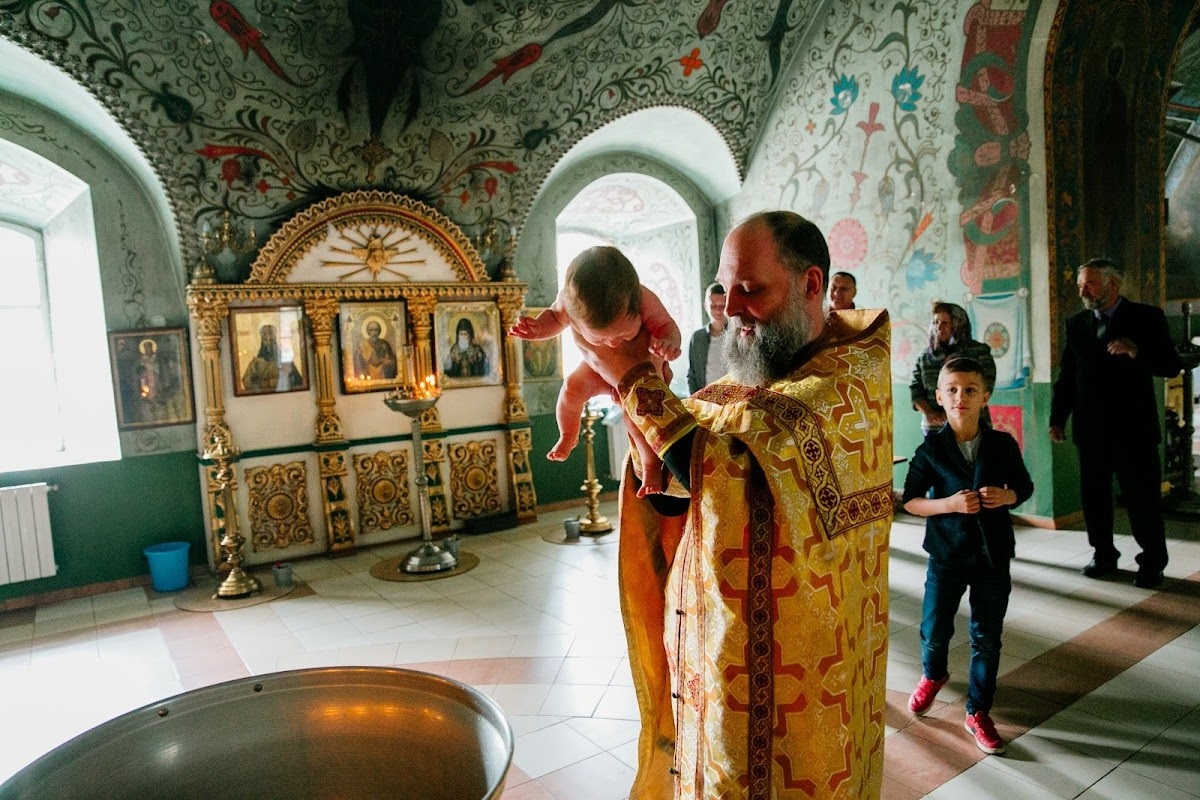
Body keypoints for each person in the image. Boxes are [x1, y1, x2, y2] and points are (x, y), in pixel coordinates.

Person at [574, 211, 892, 799]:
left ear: (812, 284)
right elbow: (693, 473)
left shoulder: (845, 382)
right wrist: (650, 452)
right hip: (720, 660)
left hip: (804, 679)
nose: (733, 309)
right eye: (726, 289)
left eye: (751, 291)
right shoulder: (753, 378)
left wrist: (631, 377)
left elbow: (731, 468)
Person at [901, 356, 1034, 756]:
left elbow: (1023, 487)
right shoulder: (930, 450)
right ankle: (933, 674)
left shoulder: (1002, 444)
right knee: (935, 628)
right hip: (947, 555)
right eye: (953, 390)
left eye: (970, 390)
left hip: (993, 555)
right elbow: (909, 501)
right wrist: (948, 505)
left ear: (985, 397)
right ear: (940, 397)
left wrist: (1008, 496)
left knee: (987, 637)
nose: (961, 397)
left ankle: (978, 711)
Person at [1049, 258, 1182, 589]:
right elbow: (1068, 376)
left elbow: (1170, 365)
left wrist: (1137, 350)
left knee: (1142, 500)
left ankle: (1152, 562)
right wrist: (1057, 417)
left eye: (1090, 284)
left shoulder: (1147, 317)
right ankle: (1103, 555)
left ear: (1113, 285)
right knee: (1094, 498)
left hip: (1133, 430)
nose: (1082, 290)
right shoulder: (1077, 323)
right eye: (1080, 284)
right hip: (1091, 431)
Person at [508, 246, 681, 496]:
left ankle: (651, 463)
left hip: (642, 373)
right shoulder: (568, 303)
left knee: (635, 418)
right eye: (601, 339)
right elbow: (554, 320)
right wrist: (537, 329)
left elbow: (666, 325)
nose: (613, 343)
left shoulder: (642, 298)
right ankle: (568, 435)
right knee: (571, 389)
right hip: (596, 368)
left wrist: (668, 343)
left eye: (623, 334)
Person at [910, 301, 996, 435]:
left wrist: (951, 413)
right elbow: (915, 389)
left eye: (945, 323)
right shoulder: (924, 357)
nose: (939, 327)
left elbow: (986, 386)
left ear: (958, 324)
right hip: (935, 430)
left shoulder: (978, 352)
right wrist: (931, 414)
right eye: (935, 322)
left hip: (972, 427)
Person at [686, 282, 727, 394]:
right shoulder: (697, 338)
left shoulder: (737, 336)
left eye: (722, 306)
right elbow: (692, 375)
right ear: (705, 306)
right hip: (705, 402)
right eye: (713, 306)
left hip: (732, 402)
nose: (718, 310)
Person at [242, 323, 303, 393]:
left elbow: (297, 381)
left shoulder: (285, 360)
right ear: (262, 341)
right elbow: (247, 381)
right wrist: (264, 382)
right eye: (265, 340)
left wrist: (288, 376)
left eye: (271, 340)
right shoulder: (255, 363)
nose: (268, 343)